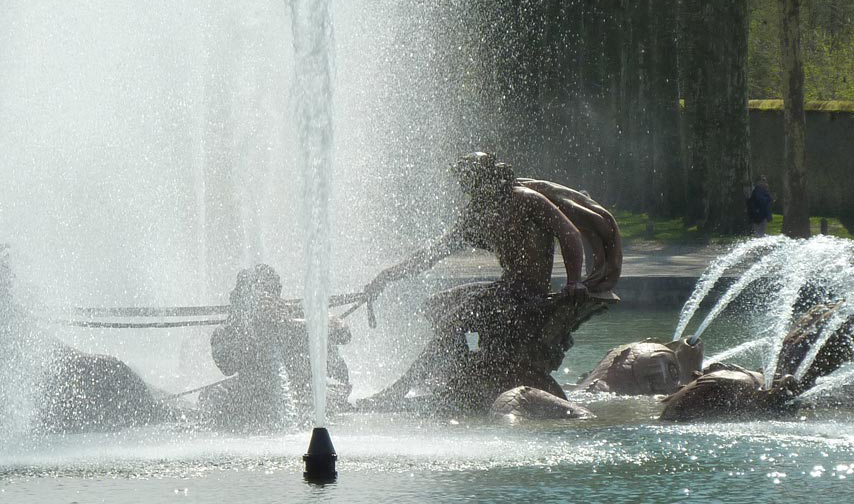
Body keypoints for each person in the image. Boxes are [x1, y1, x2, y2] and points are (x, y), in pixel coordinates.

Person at [362, 152, 618, 411]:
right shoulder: (477, 214)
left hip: (529, 293)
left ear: (486, 177)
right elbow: (433, 254)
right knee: (435, 304)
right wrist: (387, 276)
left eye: (469, 181)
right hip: (507, 288)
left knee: (455, 319)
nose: (466, 188)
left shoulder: (526, 200)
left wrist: (573, 282)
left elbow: (569, 233)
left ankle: (399, 390)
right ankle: (462, 375)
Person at [200, 264, 351, 430]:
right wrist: (248, 330)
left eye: (264, 292)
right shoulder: (232, 329)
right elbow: (226, 365)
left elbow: (343, 333)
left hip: (306, 388)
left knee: (311, 407)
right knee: (212, 396)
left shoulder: (297, 313)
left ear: (275, 294)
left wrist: (287, 324)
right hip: (257, 391)